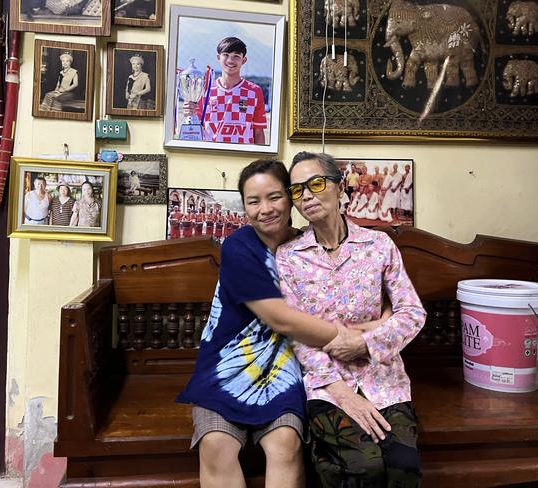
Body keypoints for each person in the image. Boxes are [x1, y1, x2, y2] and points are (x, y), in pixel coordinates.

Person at [176, 159, 386, 488]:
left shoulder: (309, 245)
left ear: (290, 198)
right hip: (229, 363)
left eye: (274, 197)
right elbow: (279, 319)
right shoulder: (239, 246)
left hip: (288, 361)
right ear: (244, 206)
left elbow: (369, 288)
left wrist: (384, 322)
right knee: (216, 444)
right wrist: (350, 336)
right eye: (253, 201)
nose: (265, 209)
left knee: (286, 444)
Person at [277, 151, 427, 487]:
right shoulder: (288, 257)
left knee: (403, 466)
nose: (307, 196)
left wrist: (364, 341)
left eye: (316, 183)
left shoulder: (378, 245)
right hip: (326, 384)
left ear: (340, 187)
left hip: (384, 379)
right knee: (363, 466)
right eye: (297, 190)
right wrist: (341, 392)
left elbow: (412, 312)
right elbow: (296, 331)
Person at [189, 37, 267, 145]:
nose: (230, 60)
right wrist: (189, 112)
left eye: (236, 56)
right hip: (211, 155)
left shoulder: (254, 91)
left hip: (243, 155)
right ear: (218, 57)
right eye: (226, 55)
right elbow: (195, 126)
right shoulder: (205, 90)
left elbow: (258, 132)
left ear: (243, 60)